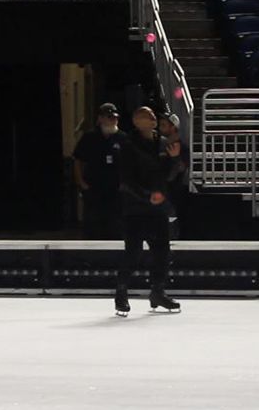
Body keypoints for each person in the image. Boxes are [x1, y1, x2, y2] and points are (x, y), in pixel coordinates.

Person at [115, 106, 182, 316]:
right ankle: (121, 292)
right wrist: (146, 196)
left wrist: (174, 159)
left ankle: (157, 291)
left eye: (154, 115)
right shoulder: (128, 144)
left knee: (162, 251)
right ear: (136, 121)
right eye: (148, 116)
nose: (153, 118)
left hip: (157, 207)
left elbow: (168, 177)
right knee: (133, 253)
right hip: (135, 208)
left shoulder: (162, 143)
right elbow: (125, 180)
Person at [73, 103, 127, 240]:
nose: (113, 120)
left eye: (115, 117)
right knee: (93, 224)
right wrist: (81, 182)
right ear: (101, 118)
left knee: (116, 226)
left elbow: (130, 163)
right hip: (93, 188)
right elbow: (78, 160)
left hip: (115, 190)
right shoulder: (90, 137)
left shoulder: (123, 138)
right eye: (109, 117)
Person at [156, 111, 189, 231]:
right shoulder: (158, 145)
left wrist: (175, 157)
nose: (160, 128)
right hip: (157, 190)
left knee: (171, 223)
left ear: (173, 128)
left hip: (174, 193)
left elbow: (180, 169)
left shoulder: (183, 148)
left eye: (164, 125)